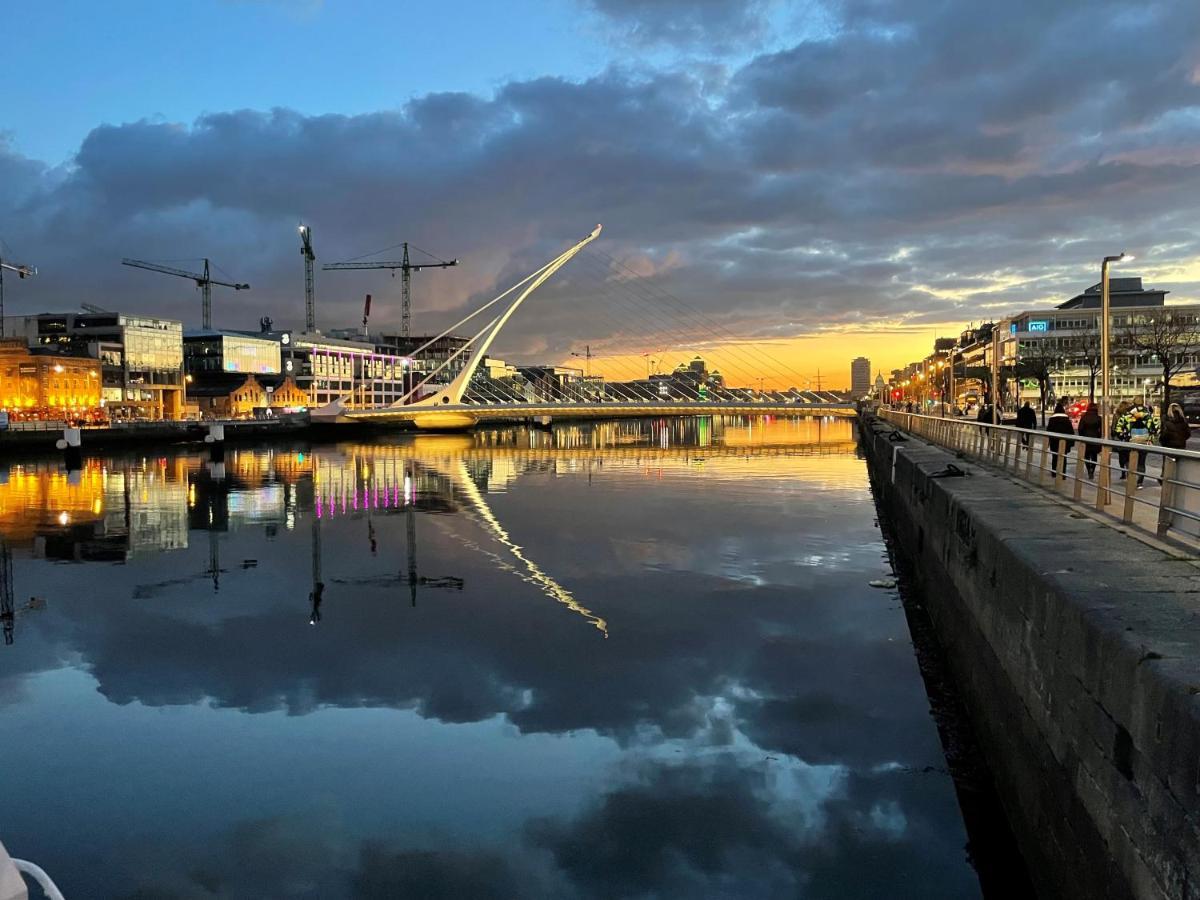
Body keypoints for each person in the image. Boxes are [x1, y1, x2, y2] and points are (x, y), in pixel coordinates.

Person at [1114, 401, 1160, 487]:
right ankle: (1140, 482)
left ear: (1134, 403)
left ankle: (1131, 479)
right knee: (1141, 463)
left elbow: (1118, 429)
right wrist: (1150, 437)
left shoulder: (1127, 416)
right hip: (1144, 442)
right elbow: (1156, 429)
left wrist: (1124, 436)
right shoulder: (1149, 415)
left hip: (1130, 442)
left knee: (1130, 461)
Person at [1045, 400, 1075, 479]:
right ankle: (1063, 474)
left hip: (1054, 441)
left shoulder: (1052, 419)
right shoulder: (1066, 419)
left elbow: (1048, 430)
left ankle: (1054, 472)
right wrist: (1071, 443)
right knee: (1064, 457)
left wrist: (1048, 442)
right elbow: (1071, 431)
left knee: (1055, 457)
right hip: (1064, 441)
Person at [1077, 401, 1103, 479]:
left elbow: (1080, 428)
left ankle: (1089, 470)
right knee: (1094, 456)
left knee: (1087, 456)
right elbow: (1101, 429)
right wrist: (1098, 436)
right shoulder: (1099, 418)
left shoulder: (1084, 417)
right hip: (1095, 439)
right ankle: (1092, 470)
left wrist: (1082, 436)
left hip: (1086, 438)